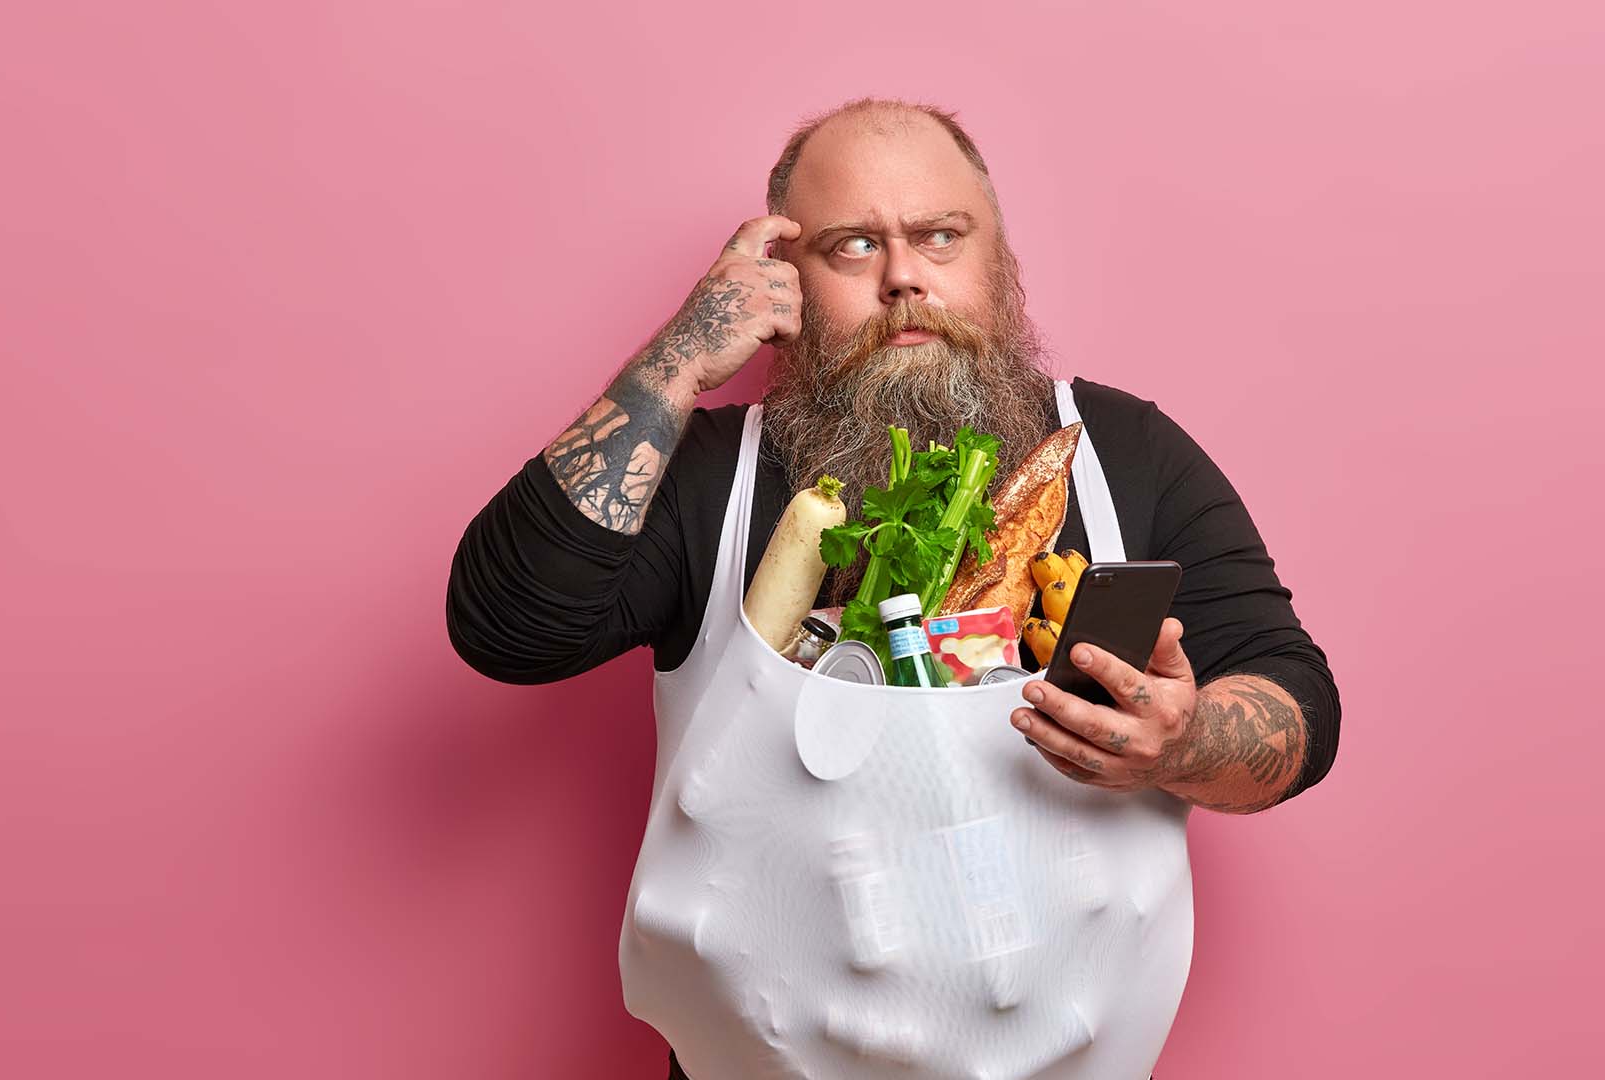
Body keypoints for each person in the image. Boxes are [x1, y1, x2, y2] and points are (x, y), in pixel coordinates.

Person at [447, 98, 1340, 1080]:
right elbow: (508, 627)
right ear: (786, 282)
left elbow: (1296, 706)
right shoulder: (713, 478)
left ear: (1000, 266)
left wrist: (1189, 738)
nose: (905, 276)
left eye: (940, 236)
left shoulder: (1122, 458)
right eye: (853, 245)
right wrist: (679, 358)